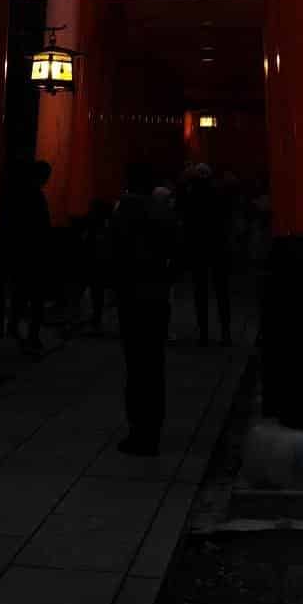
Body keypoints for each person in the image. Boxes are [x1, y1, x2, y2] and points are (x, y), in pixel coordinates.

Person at [110, 159, 180, 455]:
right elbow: (176, 249)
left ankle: (138, 429)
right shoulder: (163, 211)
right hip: (157, 295)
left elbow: (112, 251)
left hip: (131, 295)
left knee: (136, 364)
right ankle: (153, 429)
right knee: (154, 364)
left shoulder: (123, 211)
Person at [0, 158, 52, 355]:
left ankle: (17, 327)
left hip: (23, 252)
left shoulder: (22, 195)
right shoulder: (34, 196)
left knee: (21, 294)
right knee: (34, 296)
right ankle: (31, 334)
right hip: (32, 252)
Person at [180, 162, 233, 346]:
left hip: (198, 247)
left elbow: (184, 216)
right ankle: (225, 331)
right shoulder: (217, 193)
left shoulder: (191, 194)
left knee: (200, 291)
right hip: (216, 246)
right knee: (221, 291)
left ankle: (204, 332)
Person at [80, 197, 113, 332]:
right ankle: (96, 319)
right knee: (97, 293)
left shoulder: (92, 225)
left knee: (95, 293)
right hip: (100, 263)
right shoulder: (107, 226)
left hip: (94, 263)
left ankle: (95, 320)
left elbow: (86, 244)